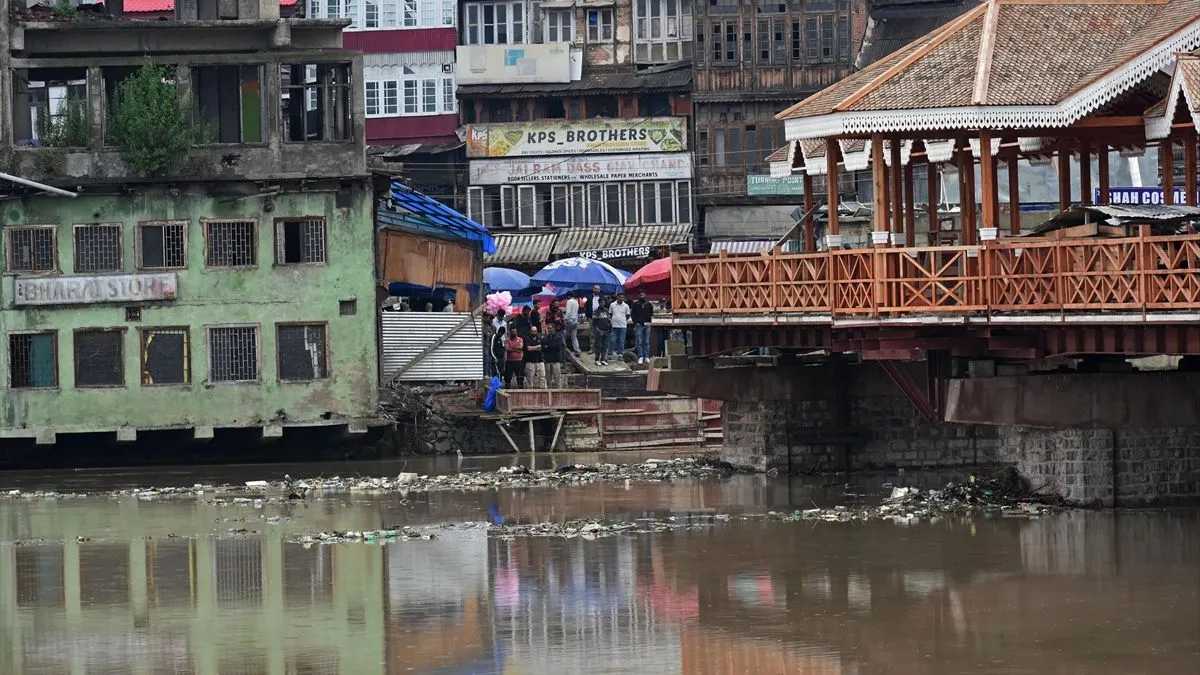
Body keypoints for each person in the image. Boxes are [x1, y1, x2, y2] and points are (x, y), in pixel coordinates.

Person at [631, 290, 654, 365]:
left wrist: (650, 322)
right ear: (639, 296)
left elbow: (651, 313)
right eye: (641, 295)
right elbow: (633, 314)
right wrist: (636, 322)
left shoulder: (648, 304)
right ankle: (640, 356)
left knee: (646, 341)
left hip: (647, 325)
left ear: (645, 295)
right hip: (639, 325)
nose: (642, 296)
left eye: (643, 295)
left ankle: (647, 356)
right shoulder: (636, 304)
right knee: (639, 341)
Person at [608, 293, 630, 364]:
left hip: (623, 326)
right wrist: (614, 320)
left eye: (622, 297)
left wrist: (622, 320)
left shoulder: (626, 306)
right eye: (620, 297)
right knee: (612, 340)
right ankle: (610, 354)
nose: (621, 298)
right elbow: (610, 314)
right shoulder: (612, 305)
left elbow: (628, 315)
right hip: (614, 326)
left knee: (621, 341)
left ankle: (620, 354)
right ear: (617, 297)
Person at [542, 323, 564, 387]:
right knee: (548, 379)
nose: (548, 330)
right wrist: (549, 347)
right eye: (548, 328)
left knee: (557, 378)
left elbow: (558, 346)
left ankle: (560, 392)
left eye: (550, 328)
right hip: (548, 360)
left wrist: (548, 346)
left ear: (553, 328)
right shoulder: (545, 337)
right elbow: (543, 348)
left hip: (556, 360)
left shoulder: (558, 336)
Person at [592, 298, 612, 366]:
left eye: (604, 302)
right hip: (600, 331)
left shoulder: (606, 311)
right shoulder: (596, 312)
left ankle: (603, 359)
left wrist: (610, 327)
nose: (603, 304)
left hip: (607, 331)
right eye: (602, 302)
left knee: (605, 346)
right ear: (599, 303)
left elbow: (609, 320)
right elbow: (594, 323)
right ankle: (597, 359)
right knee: (598, 346)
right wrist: (597, 330)